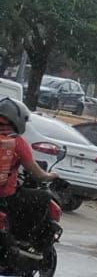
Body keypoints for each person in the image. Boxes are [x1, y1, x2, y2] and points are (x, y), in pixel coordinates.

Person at [0, 96, 55, 244]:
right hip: (5, 198)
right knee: (43, 197)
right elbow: (37, 174)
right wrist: (51, 176)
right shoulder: (17, 142)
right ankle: (24, 239)